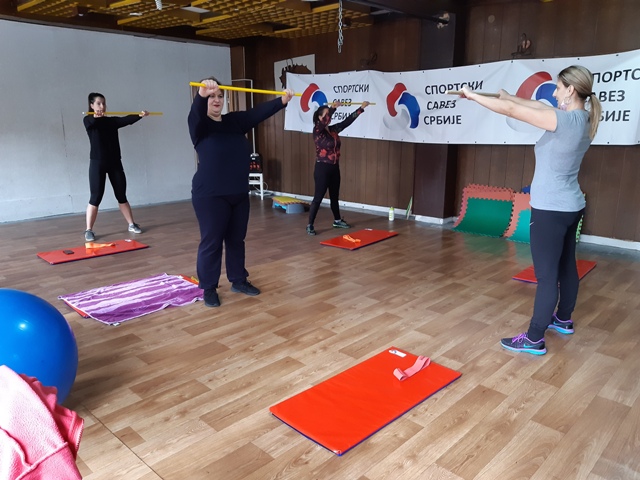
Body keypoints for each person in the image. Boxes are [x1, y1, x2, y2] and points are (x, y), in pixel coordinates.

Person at [461, 65, 601, 355]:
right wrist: (508, 96)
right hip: (570, 206)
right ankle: (563, 319)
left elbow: (513, 112)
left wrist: (474, 97)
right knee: (566, 266)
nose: (555, 93)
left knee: (547, 276)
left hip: (550, 209)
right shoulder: (584, 119)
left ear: (571, 90)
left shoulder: (565, 121)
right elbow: (537, 106)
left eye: (558, 88)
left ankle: (534, 337)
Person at [188, 78, 294, 308]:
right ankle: (209, 287)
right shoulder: (200, 126)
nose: (216, 100)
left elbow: (257, 113)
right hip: (210, 195)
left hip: (238, 193)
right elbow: (195, 113)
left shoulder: (233, 122)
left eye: (220, 96)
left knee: (236, 239)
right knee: (212, 242)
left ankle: (238, 280)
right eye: (212, 96)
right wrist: (201, 94)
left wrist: (282, 101)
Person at [83, 93, 149, 242]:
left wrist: (139, 115)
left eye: (103, 103)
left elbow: (126, 120)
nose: (102, 106)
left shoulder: (111, 121)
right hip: (97, 164)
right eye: (98, 103)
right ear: (92, 105)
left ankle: (131, 224)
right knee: (95, 197)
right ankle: (88, 230)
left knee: (121, 195)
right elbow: (91, 123)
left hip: (114, 163)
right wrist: (96, 117)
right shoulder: (88, 120)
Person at [306, 100, 370, 235]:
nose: (328, 117)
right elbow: (324, 121)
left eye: (328, 114)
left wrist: (360, 109)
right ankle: (310, 224)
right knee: (318, 197)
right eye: (325, 115)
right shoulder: (317, 130)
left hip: (334, 168)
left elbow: (347, 122)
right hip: (322, 168)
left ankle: (337, 220)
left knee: (334, 196)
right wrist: (332, 108)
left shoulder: (333, 130)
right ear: (319, 118)